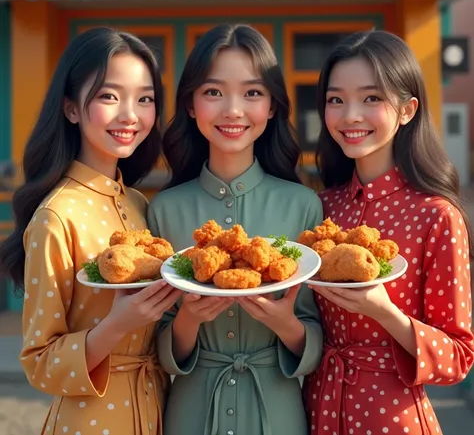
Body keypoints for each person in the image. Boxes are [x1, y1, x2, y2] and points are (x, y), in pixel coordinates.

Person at [0, 27, 181, 435]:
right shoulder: (56, 216)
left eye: (145, 98)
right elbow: (39, 362)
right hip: (94, 421)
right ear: (71, 109)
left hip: (158, 408)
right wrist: (118, 324)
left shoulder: (137, 204)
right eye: (109, 96)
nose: (130, 115)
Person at [147, 23, 323, 435]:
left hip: (278, 411)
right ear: (191, 104)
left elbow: (319, 336)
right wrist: (188, 320)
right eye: (213, 92)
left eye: (252, 93)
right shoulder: (164, 211)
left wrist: (285, 324)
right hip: (191, 412)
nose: (233, 109)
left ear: (273, 106)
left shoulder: (303, 206)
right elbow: (154, 343)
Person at [303, 29, 474, 435]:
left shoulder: (436, 216)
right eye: (336, 100)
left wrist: (385, 313)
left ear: (407, 110)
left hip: (392, 417)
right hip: (316, 408)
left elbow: (459, 357)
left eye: (371, 98)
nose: (350, 116)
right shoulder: (322, 207)